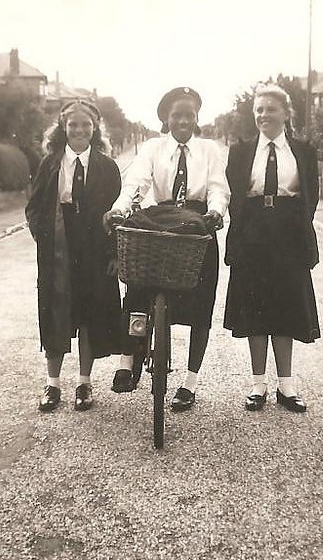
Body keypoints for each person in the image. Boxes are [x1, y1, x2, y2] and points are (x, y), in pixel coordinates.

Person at [104, 87, 230, 411]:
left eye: (190, 114)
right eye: (177, 114)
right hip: (161, 221)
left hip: (198, 224)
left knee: (202, 305)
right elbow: (136, 184)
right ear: (165, 118)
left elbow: (218, 187)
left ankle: (190, 383)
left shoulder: (209, 150)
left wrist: (216, 211)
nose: (184, 120)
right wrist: (120, 208)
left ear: (197, 118)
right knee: (137, 287)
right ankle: (127, 358)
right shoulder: (152, 148)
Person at [224, 84, 320, 412]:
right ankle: (257, 386)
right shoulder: (241, 150)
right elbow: (235, 196)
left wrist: (296, 229)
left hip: (288, 234)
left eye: (271, 109)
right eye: (259, 110)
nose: (264, 115)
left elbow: (311, 196)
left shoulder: (303, 151)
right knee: (255, 310)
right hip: (252, 232)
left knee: (286, 309)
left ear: (286, 113)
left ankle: (287, 387)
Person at [26, 99, 122, 412]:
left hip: (94, 246)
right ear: (63, 128)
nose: (79, 130)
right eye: (73, 125)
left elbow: (116, 213)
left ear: (95, 129)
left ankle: (84, 383)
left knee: (89, 312)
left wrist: (113, 253)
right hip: (59, 246)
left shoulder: (106, 166)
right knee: (55, 311)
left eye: (86, 125)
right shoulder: (51, 163)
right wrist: (43, 236)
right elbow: (35, 207)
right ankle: (52, 385)